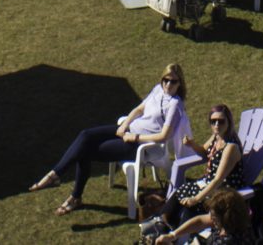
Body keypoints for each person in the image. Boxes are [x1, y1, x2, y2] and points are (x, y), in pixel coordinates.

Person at [31, 63, 188, 214]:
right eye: (165, 80)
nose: (168, 85)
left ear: (179, 83)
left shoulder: (175, 105)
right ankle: (56, 174)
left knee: (85, 152)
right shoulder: (158, 90)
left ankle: (73, 196)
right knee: (86, 135)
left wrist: (135, 137)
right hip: (128, 131)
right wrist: (125, 124)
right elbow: (140, 109)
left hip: (139, 145)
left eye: (173, 81)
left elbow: (163, 136)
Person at [145, 103, 246, 235]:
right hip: (210, 182)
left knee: (191, 204)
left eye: (221, 121)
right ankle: (163, 222)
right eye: (213, 121)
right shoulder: (217, 136)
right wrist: (192, 145)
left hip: (225, 189)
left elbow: (218, 179)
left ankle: (174, 232)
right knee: (181, 191)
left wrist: (196, 198)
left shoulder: (231, 147)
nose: (216, 125)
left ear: (229, 121)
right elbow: (204, 152)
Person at [154, 187, 251, 245]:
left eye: (214, 216)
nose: (211, 218)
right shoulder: (236, 225)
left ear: (225, 218)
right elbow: (200, 221)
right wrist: (172, 235)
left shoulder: (227, 242)